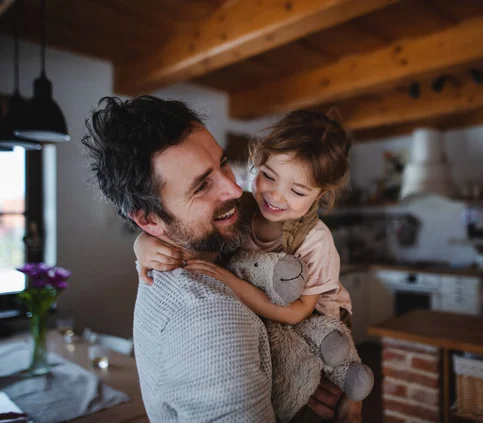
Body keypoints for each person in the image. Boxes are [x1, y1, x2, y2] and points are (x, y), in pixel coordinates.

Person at [81, 96, 356, 422]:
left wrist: (350, 397)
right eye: (201, 186)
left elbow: (305, 316)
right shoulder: (210, 316)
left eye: (224, 164)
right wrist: (143, 243)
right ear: (148, 220)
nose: (236, 190)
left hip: (319, 327)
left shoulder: (301, 236)